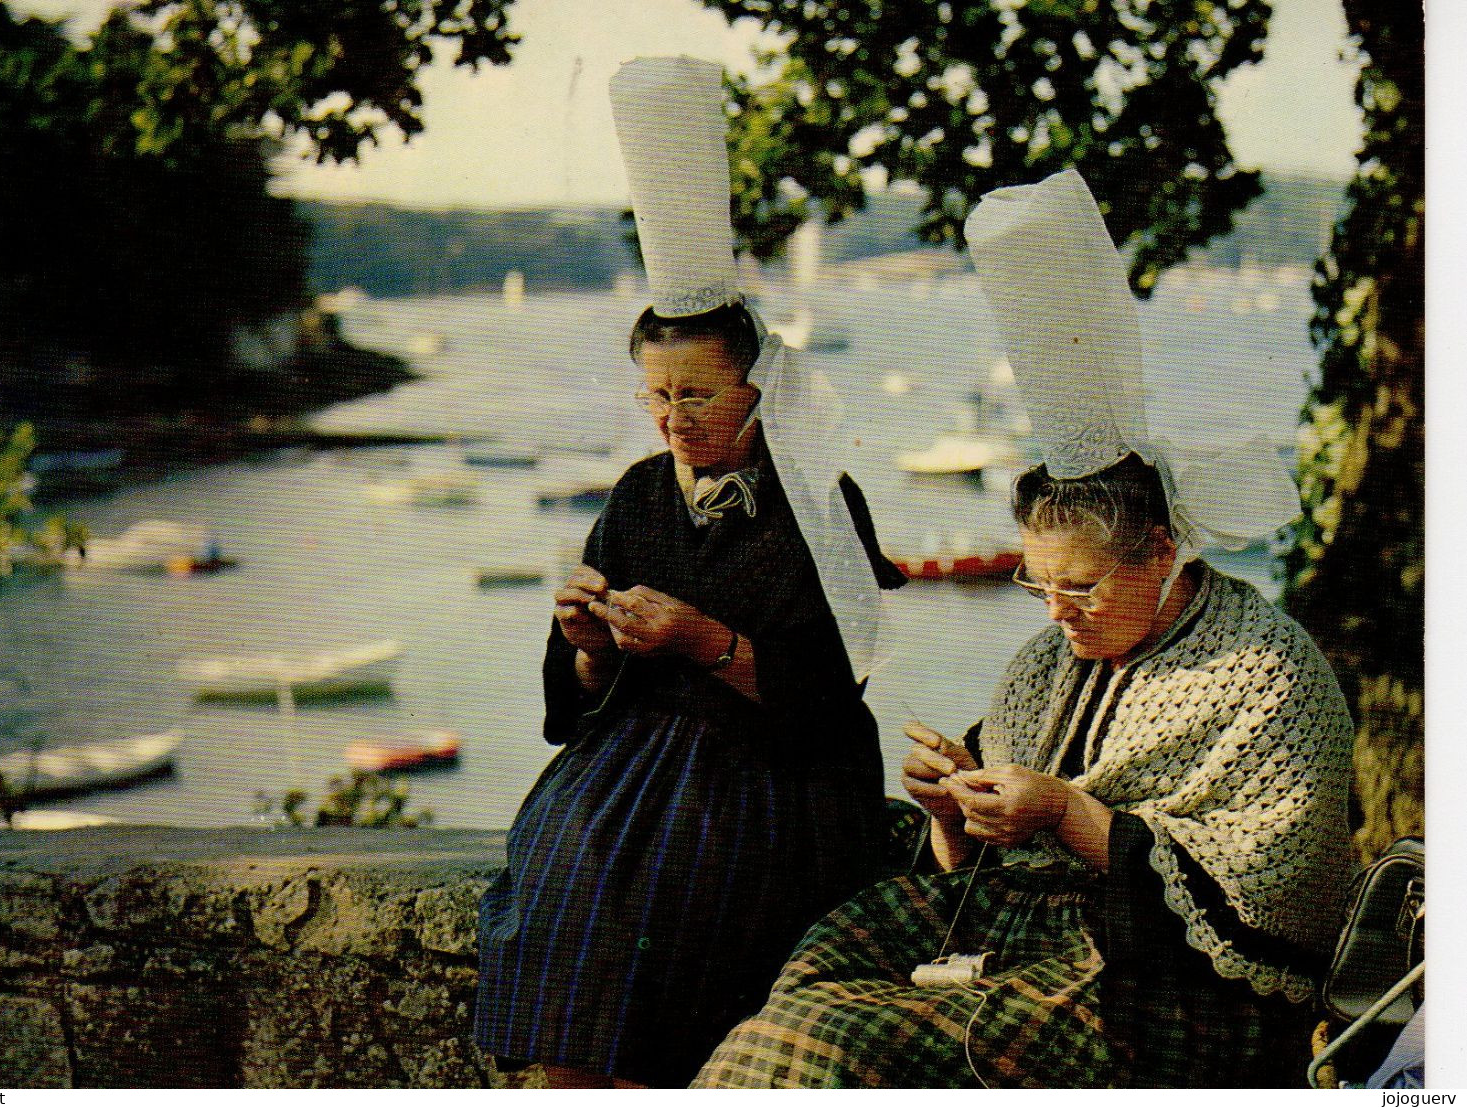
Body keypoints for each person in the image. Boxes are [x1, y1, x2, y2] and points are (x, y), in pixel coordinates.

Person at [693, 168, 1356, 1089]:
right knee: (801, 987)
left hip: (1157, 980)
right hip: (1006, 925)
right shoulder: (1053, 658)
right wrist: (949, 808)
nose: (1053, 612)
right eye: (1034, 581)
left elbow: (1271, 896)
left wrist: (1067, 812)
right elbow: (963, 853)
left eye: (1078, 586)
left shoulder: (1264, 671)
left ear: (1161, 550)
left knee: (832, 1046)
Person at [472, 57, 906, 1089]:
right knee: (554, 873)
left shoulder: (818, 505)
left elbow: (825, 701)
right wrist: (585, 652)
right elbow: (568, 710)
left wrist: (707, 644)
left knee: (664, 911)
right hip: (633, 767)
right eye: (656, 395)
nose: (674, 419)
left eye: (698, 396)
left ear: (759, 394)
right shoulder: (633, 494)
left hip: (774, 782)